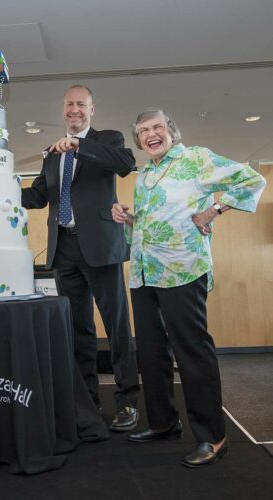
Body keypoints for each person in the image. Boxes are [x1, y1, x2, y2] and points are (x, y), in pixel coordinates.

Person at [112, 108, 266, 467]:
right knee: (151, 352)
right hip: (146, 272)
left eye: (157, 127)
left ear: (171, 131)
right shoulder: (146, 172)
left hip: (183, 268)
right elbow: (158, 220)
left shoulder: (196, 158)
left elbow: (251, 180)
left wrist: (214, 211)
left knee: (191, 351)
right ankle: (164, 422)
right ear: (138, 140)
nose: (151, 134)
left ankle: (214, 437)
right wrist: (130, 219)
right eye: (143, 131)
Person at [22, 85, 140, 431]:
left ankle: (128, 400)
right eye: (69, 105)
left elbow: (125, 164)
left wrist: (79, 145)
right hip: (64, 251)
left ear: (91, 109)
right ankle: (85, 404)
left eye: (81, 104)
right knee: (77, 330)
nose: (74, 109)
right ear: (63, 110)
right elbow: (39, 196)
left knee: (116, 325)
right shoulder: (52, 153)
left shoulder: (108, 140)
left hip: (101, 247)